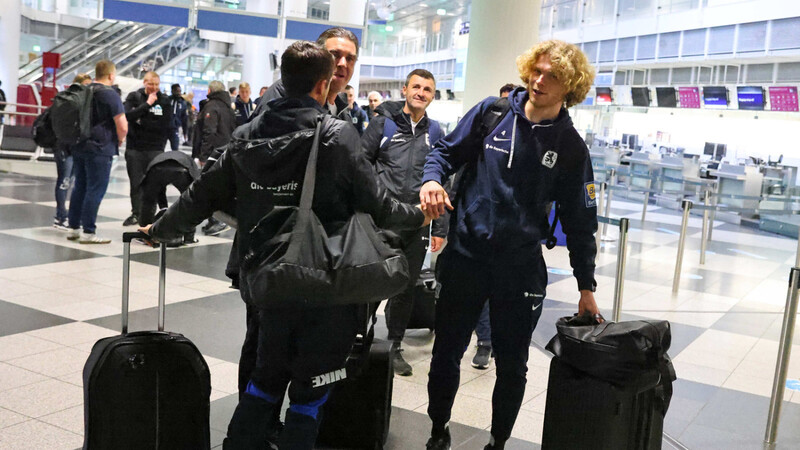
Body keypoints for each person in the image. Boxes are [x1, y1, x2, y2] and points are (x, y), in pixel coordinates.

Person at [141, 40, 431, 450]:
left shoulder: (245, 135)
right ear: (321, 86)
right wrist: (421, 215)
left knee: (265, 378)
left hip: (268, 280)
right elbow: (379, 205)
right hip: (325, 281)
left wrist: (160, 229)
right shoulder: (336, 134)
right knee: (311, 393)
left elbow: (200, 196)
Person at [419, 40, 601, 450]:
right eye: (536, 70)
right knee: (446, 352)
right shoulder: (492, 113)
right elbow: (445, 152)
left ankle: (498, 442)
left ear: (569, 85)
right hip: (466, 256)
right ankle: (437, 430)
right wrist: (431, 179)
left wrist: (585, 287)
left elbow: (580, 221)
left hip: (519, 268)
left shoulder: (571, 146)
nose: (539, 80)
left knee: (513, 366)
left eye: (552, 75)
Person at [361, 68, 444, 376]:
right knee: (369, 281)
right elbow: (360, 164)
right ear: (405, 90)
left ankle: (394, 344)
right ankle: (361, 337)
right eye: (417, 87)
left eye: (428, 90)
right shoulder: (382, 124)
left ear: (432, 96)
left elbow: (442, 181)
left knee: (405, 287)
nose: (421, 93)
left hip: (418, 224)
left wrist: (441, 227)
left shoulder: (435, 133)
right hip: (381, 220)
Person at [469, 81, 524, 369]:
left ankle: (496, 343)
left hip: (511, 238)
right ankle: (484, 342)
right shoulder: (483, 128)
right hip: (477, 232)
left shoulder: (529, 138)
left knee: (502, 296)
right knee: (479, 295)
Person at [66, 60, 128, 244]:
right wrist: (121, 138)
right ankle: (88, 232)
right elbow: (122, 125)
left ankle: (73, 228)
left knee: (80, 187)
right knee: (96, 189)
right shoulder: (110, 94)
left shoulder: (86, 90)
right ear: (111, 75)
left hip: (80, 145)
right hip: (100, 148)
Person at [250, 27, 359, 131]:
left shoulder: (342, 109)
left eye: (350, 59)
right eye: (335, 55)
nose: (343, 64)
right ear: (318, 55)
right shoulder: (283, 92)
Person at [122, 71, 172, 227]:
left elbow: (165, 124)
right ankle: (136, 213)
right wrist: (147, 105)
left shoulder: (164, 100)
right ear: (144, 82)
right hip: (135, 148)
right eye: (151, 84)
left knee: (156, 183)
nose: (154, 88)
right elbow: (127, 116)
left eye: (157, 84)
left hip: (155, 148)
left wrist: (141, 121)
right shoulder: (134, 97)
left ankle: (160, 211)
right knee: (136, 183)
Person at [192, 80, 235, 236]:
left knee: (209, 188)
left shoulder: (212, 106)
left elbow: (209, 132)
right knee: (218, 187)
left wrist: (203, 156)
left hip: (213, 154)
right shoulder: (227, 107)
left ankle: (217, 221)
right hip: (225, 152)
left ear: (209, 90)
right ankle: (214, 220)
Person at [52, 73, 93, 231]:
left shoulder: (66, 99)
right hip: (65, 147)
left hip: (71, 146)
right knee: (64, 181)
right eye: (87, 84)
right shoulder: (73, 100)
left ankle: (66, 216)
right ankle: (60, 216)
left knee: (70, 181)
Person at [138, 150, 200, 247]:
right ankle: (189, 237)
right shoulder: (189, 160)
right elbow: (195, 185)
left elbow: (158, 190)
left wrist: (164, 208)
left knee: (148, 202)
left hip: (156, 169)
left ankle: (144, 234)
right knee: (190, 202)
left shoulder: (161, 158)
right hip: (182, 169)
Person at [168, 84, 188, 151]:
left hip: (175, 128)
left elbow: (184, 118)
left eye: (180, 91)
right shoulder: (167, 100)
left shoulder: (182, 103)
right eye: (177, 91)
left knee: (175, 147)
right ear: (172, 91)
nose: (179, 93)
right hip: (165, 127)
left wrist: (185, 132)